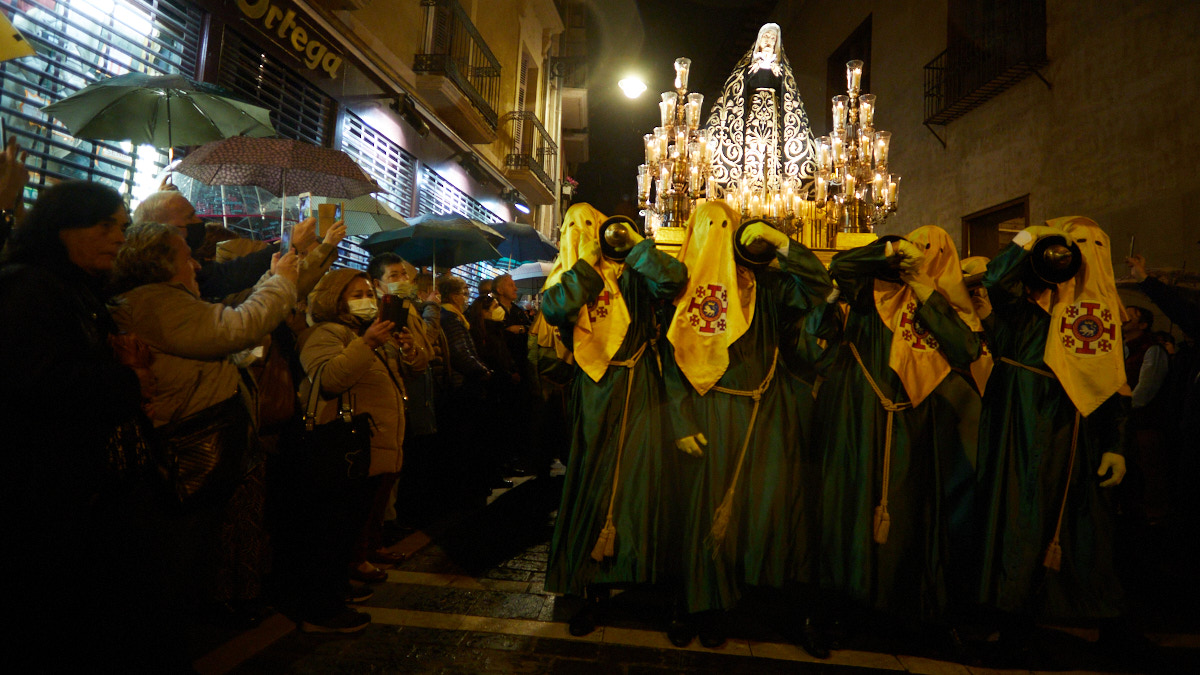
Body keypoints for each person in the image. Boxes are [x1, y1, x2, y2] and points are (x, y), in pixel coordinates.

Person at [0, 180, 169, 669]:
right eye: (104, 225)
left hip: (70, 490)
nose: (119, 237)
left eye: (122, 226)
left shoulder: (76, 290)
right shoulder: (27, 286)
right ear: (61, 229)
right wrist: (126, 382)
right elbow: (38, 380)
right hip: (33, 495)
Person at [109, 221, 299, 630]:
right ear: (159, 264)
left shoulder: (166, 301)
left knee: (188, 564)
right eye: (186, 257)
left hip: (195, 447)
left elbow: (241, 311)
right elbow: (236, 326)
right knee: (174, 572)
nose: (196, 265)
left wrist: (285, 272)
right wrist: (280, 282)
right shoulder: (156, 303)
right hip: (183, 451)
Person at [663, 202, 834, 652]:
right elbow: (673, 361)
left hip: (767, 412)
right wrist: (680, 420)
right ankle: (699, 607)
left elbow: (820, 287)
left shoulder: (770, 284)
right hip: (711, 413)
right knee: (706, 511)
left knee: (772, 508)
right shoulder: (683, 294)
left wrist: (783, 243)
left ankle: (770, 605)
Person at [813, 228, 983, 644]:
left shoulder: (945, 307)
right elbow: (840, 265)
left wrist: (925, 290)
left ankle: (897, 609)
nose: (918, 256)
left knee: (908, 516)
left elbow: (965, 349)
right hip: (860, 418)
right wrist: (888, 256)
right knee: (849, 511)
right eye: (912, 246)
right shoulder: (870, 294)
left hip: (915, 423)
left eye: (929, 251)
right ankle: (838, 607)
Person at [975, 218, 1133, 663]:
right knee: (1016, 518)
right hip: (1020, 426)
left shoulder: (1103, 319)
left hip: (1074, 436)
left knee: (1073, 526)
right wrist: (1029, 240)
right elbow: (995, 281)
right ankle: (1009, 616)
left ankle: (1075, 619)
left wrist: (1116, 445)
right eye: (1072, 243)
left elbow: (1115, 385)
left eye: (1089, 244)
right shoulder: (1027, 306)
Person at [541, 203, 688, 636]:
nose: (586, 232)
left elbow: (674, 281)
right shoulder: (570, 276)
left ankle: (642, 576)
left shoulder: (637, 269)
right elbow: (555, 309)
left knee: (642, 480)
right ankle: (591, 588)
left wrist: (637, 248)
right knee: (593, 482)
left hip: (641, 383)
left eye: (594, 225)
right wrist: (586, 265)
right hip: (594, 390)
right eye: (575, 226)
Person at [295, 268, 413, 631]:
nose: (367, 299)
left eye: (368, 293)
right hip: (344, 448)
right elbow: (329, 378)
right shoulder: (324, 333)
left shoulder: (360, 334)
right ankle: (322, 609)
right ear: (335, 299)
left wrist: (402, 347)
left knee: (348, 529)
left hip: (370, 451)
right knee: (332, 532)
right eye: (356, 294)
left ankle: (337, 590)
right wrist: (369, 345)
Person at [134, 189, 315, 299]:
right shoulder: (165, 275)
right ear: (165, 229)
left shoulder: (188, 262)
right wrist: (291, 245)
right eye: (190, 217)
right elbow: (230, 276)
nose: (199, 221)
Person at [704, 22, 816, 197]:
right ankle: (748, 189)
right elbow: (733, 91)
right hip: (752, 117)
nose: (769, 40)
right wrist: (748, 74)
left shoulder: (782, 68)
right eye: (766, 36)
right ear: (759, 40)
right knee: (752, 151)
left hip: (773, 118)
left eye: (773, 38)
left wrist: (780, 74)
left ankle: (772, 187)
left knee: (773, 152)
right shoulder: (746, 66)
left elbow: (790, 94)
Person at [368, 253, 437, 531]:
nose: (402, 280)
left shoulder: (408, 308)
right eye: (394, 276)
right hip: (391, 402)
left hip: (414, 398)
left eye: (404, 275)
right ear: (377, 283)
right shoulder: (379, 314)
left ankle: (392, 525)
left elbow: (423, 353)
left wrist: (413, 350)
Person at [437, 274, 495, 499]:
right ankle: (466, 493)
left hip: (462, 387)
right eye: (464, 293)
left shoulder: (456, 318)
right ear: (453, 296)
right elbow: (462, 353)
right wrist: (484, 372)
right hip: (462, 389)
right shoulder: (451, 319)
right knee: (465, 444)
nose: (466, 298)